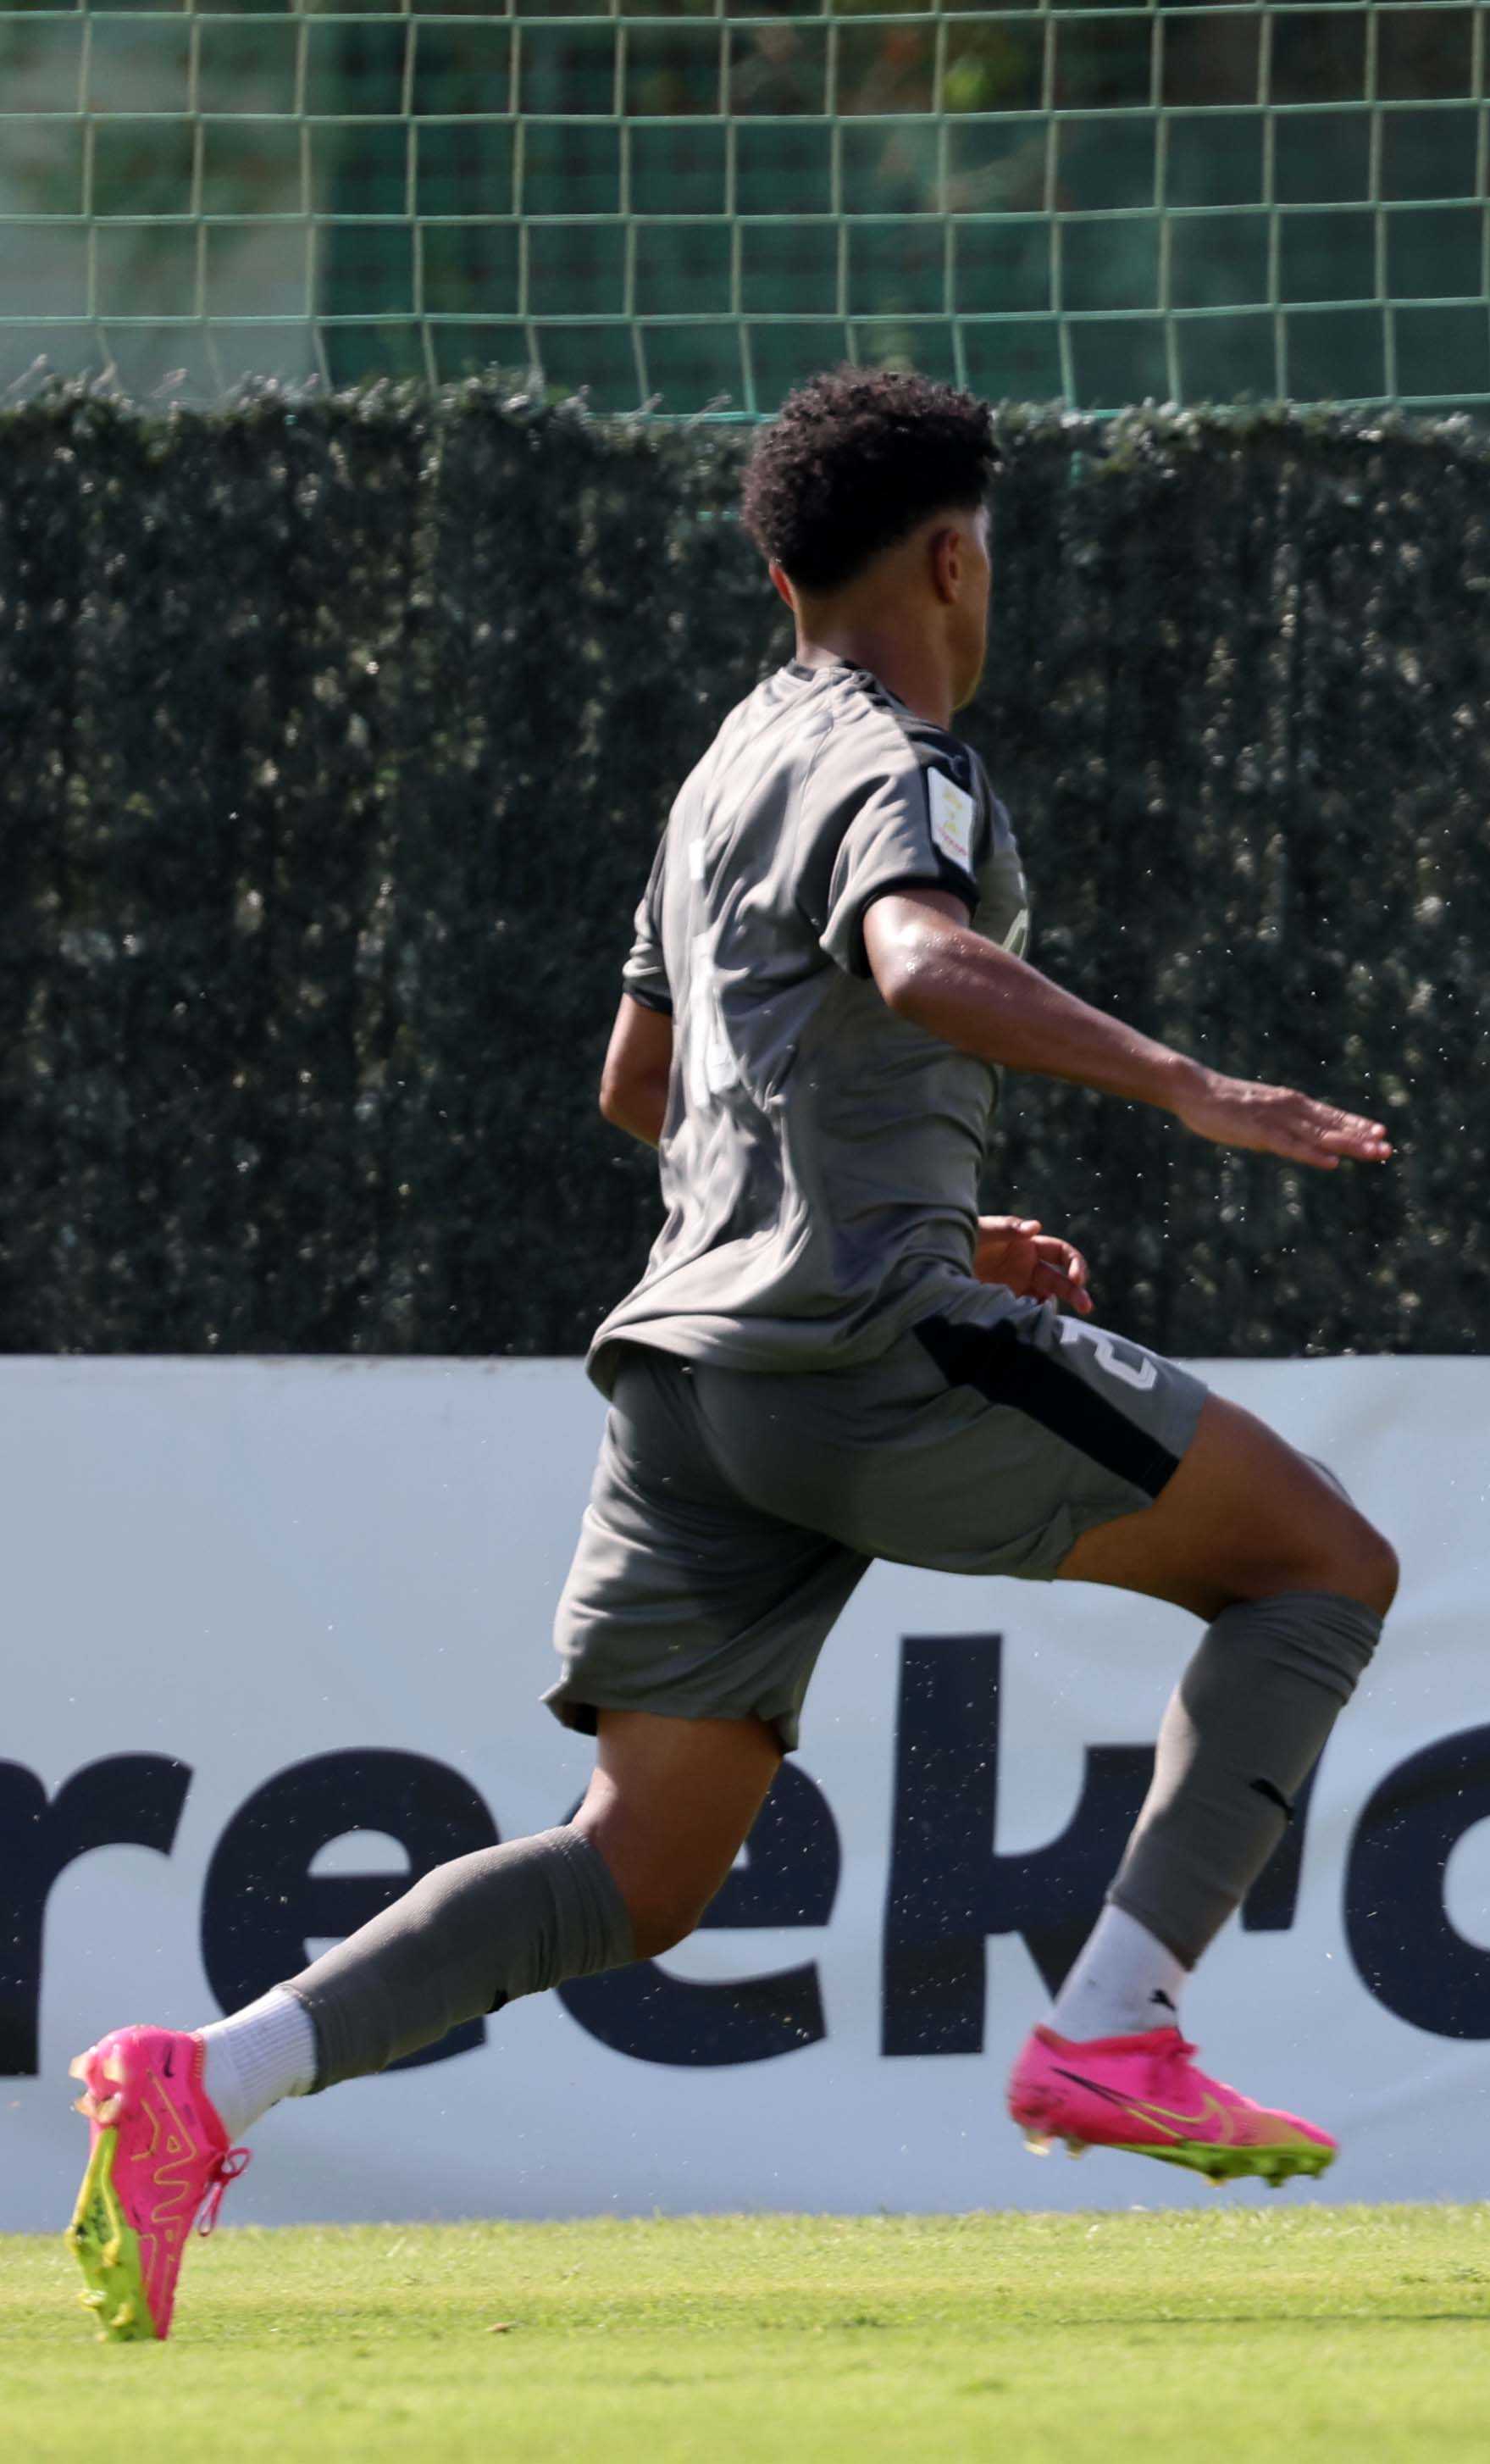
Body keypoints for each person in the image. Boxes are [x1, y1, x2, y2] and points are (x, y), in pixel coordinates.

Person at [65, 369, 1404, 2343]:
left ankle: (207, 2076)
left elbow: (643, 1077)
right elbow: (917, 960)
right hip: (860, 1346)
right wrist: (1190, 1087)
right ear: (951, 559)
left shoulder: (723, 768)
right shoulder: (906, 761)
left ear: (782, 574)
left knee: (634, 1870)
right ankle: (1115, 2026)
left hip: (689, 1382)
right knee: (1321, 1564)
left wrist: (897, 1195)